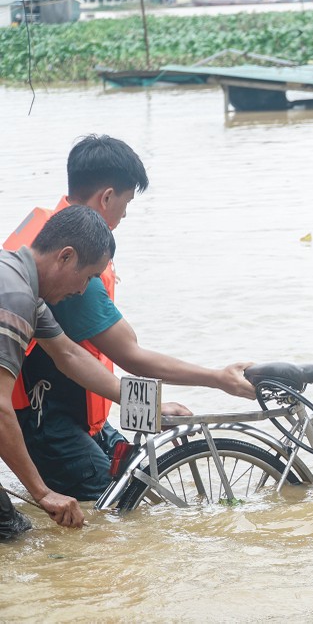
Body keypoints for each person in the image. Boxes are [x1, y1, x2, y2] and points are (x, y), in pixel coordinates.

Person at [4, 135, 255, 502]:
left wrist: (150, 408)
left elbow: (72, 357)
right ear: (107, 197)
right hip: (45, 419)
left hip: (67, 405)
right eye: (126, 204)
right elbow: (131, 356)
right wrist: (218, 378)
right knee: (105, 512)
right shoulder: (53, 280)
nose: (124, 216)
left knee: (130, 495)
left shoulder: (44, 242)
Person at [1, 206, 123, 537]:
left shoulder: (22, 284)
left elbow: (68, 354)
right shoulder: (13, 298)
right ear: (65, 257)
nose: (83, 290)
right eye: (87, 277)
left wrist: (143, 401)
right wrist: (43, 493)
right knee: (13, 536)